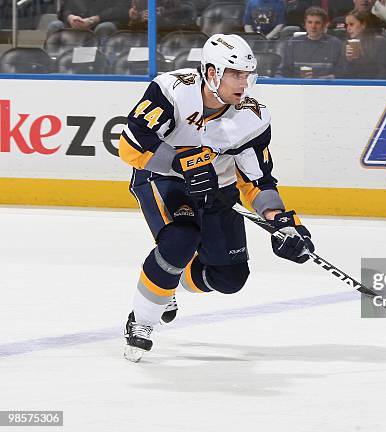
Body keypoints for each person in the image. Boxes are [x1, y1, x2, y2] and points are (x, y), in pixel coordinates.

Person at [120, 34, 315, 362]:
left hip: (217, 190)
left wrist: (280, 221)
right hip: (162, 179)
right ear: (211, 72)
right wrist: (181, 163)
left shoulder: (253, 117)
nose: (244, 83)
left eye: (247, 75)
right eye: (235, 74)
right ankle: (142, 321)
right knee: (181, 238)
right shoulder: (172, 90)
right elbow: (130, 146)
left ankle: (166, 276)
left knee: (230, 278)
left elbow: (257, 180)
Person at [280, 6, 345, 78]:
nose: (313, 26)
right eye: (310, 22)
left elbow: (343, 72)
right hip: (298, 87)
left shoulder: (335, 44)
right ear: (305, 24)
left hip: (326, 87)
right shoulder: (292, 43)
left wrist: (332, 77)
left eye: (317, 23)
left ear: (324, 25)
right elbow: (282, 72)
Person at [339, 9, 386, 78]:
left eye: (351, 24)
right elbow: (343, 74)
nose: (348, 28)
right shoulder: (346, 44)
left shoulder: (380, 42)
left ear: (363, 25)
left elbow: (384, 71)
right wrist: (348, 61)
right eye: (347, 25)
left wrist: (360, 59)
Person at [47, 0, 127, 42]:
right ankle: (52, 65)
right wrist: (70, 17)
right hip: (76, 23)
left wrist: (95, 19)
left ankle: (102, 64)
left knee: (104, 27)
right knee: (54, 26)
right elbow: (62, 9)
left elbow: (121, 9)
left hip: (102, 22)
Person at [128, 0, 198, 33]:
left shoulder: (185, 7)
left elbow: (190, 28)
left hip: (174, 44)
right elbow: (133, 33)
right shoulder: (142, 3)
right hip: (147, 44)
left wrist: (161, 21)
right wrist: (136, 19)